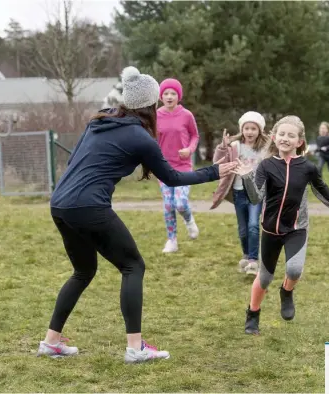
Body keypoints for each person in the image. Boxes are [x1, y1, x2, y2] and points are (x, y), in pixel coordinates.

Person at [37, 66, 239, 363]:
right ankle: (135, 348)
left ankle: (51, 342)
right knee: (133, 266)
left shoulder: (100, 119)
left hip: (60, 204)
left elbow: (76, 158)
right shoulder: (140, 137)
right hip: (89, 206)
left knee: (83, 271)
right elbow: (171, 177)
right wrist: (215, 171)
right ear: (151, 105)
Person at [231, 115, 329, 335]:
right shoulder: (266, 165)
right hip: (270, 229)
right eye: (282, 134)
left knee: (294, 269)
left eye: (291, 135)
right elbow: (256, 198)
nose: (285, 138)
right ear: (274, 137)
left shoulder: (307, 167)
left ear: (299, 141)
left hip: (296, 229)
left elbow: (324, 193)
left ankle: (286, 291)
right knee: (264, 278)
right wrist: (246, 178)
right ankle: (253, 313)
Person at [210, 111, 271, 275]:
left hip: (255, 193)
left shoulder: (264, 149)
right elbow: (218, 161)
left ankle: (253, 260)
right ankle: (246, 255)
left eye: (253, 128)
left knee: (253, 225)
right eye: (247, 128)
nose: (250, 132)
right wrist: (222, 147)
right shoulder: (235, 146)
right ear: (242, 129)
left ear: (259, 130)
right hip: (238, 192)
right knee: (243, 229)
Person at [156, 78, 201, 253]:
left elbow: (195, 136)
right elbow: (151, 139)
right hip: (163, 167)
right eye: (166, 93)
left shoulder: (186, 115)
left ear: (178, 96)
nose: (169, 96)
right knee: (168, 204)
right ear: (161, 96)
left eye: (173, 93)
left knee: (180, 203)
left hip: (183, 167)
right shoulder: (156, 115)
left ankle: (189, 221)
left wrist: (189, 150)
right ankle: (172, 240)